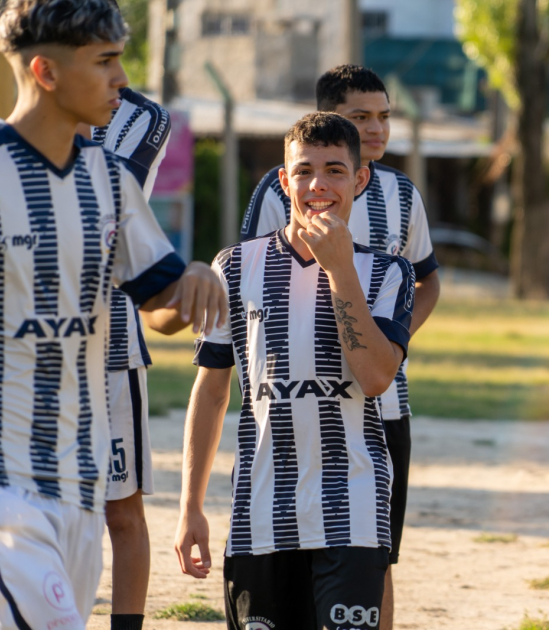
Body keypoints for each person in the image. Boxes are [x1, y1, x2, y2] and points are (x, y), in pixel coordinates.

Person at [0, 1, 227, 627]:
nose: (122, 79)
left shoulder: (108, 179)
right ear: (47, 73)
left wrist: (195, 279)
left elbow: (158, 306)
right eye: (105, 61)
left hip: (81, 481)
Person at [176, 112, 415, 630]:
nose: (318, 185)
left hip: (352, 510)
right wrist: (190, 506)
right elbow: (212, 391)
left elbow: (375, 377)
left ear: (360, 179)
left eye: (334, 170)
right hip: (261, 514)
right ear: (283, 180)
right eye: (304, 170)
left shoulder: (389, 272)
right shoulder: (234, 268)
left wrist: (339, 268)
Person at [240, 65, 439, 628]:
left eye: (384, 116)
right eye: (360, 117)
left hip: (382, 400)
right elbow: (255, 280)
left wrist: (388, 344)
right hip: (296, 404)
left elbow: (427, 280)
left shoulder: (402, 191)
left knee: (376, 552)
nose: (376, 129)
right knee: (293, 549)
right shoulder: (286, 190)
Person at [92, 83, 172, 630]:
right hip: (32, 354)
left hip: (114, 350)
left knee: (121, 508)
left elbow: (104, 199)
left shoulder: (145, 115)